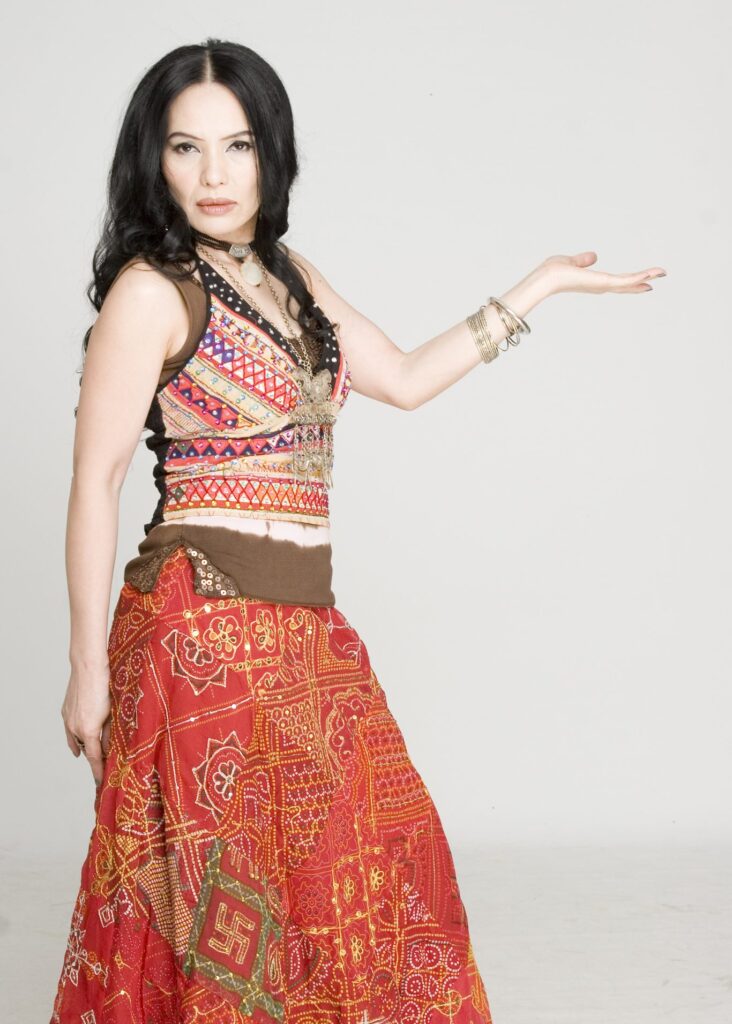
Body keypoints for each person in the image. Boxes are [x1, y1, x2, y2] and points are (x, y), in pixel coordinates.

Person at [50, 36, 666, 1024]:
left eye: (238, 146)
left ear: (272, 155)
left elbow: (407, 379)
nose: (213, 176)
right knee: (228, 924)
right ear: (153, 161)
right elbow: (98, 481)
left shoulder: (288, 275)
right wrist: (87, 669)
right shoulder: (151, 290)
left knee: (373, 885)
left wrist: (538, 287)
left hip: (303, 633)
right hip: (200, 636)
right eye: (185, 148)